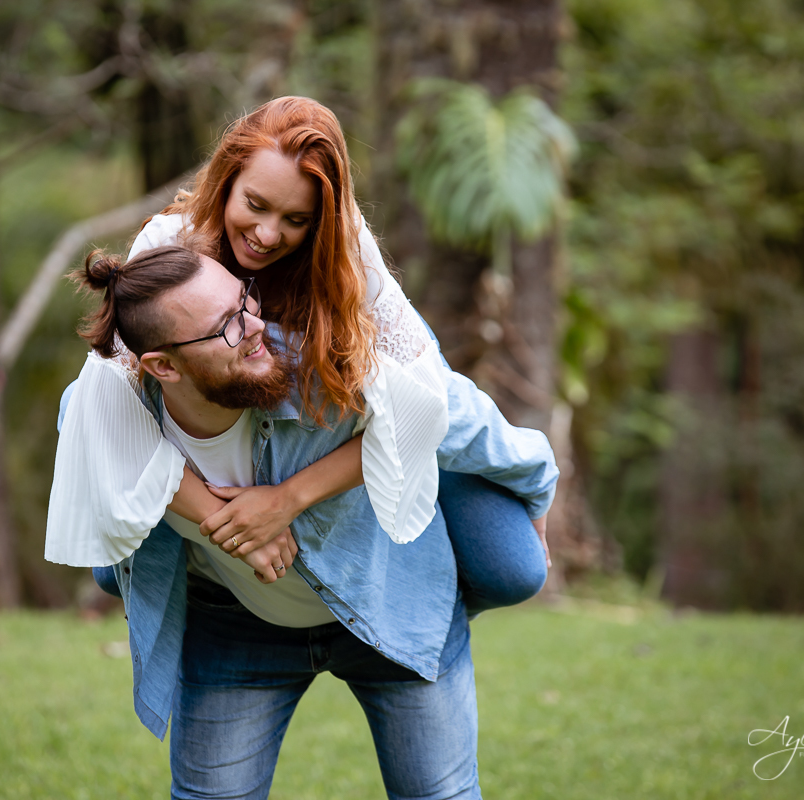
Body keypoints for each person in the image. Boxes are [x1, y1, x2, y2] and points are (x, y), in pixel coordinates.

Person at [48, 244, 563, 798]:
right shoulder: (114, 407)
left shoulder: (317, 359)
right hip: (236, 626)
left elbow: (452, 411)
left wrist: (536, 491)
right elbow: (80, 423)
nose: (254, 327)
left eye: (245, 300)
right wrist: (220, 520)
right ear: (164, 367)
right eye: (225, 327)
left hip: (388, 597)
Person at [49, 95, 554, 616]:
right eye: (255, 205)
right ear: (226, 182)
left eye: (296, 218)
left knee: (513, 569)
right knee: (114, 562)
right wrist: (232, 526)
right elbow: (95, 407)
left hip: (374, 382)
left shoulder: (347, 264)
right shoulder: (172, 245)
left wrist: (284, 501)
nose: (268, 235)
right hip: (232, 442)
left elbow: (433, 407)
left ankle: (421, 514)